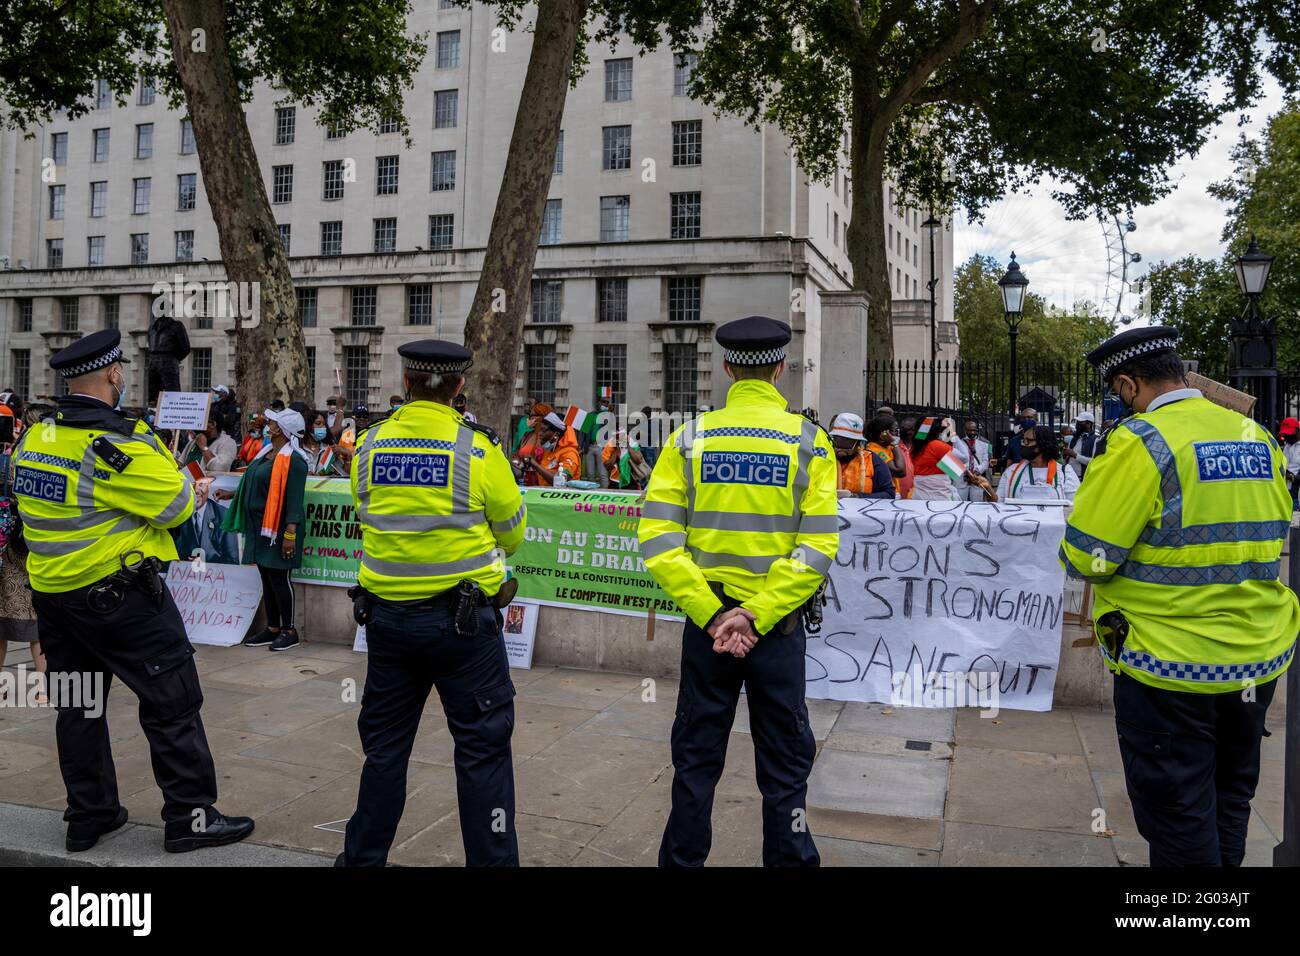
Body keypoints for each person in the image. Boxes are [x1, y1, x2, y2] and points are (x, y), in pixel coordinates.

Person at [1060, 326, 1298, 867]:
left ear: (1127, 385)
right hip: (1256, 659)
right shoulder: (1253, 435)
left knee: (1177, 815)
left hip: (1171, 666)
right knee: (1228, 802)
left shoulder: (1140, 441)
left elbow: (1088, 557)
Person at [9, 329, 253, 853]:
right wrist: (147, 446)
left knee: (79, 706)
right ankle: (191, 818)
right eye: (122, 373)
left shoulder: (35, 438)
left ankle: (88, 816)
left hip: (55, 598)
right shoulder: (117, 444)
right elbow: (178, 508)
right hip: (121, 599)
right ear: (115, 374)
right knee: (173, 701)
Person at [638, 315, 837, 867]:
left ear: (727, 368)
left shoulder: (690, 438)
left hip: (709, 632)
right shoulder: (809, 441)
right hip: (775, 630)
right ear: (779, 368)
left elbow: (657, 539)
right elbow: (817, 549)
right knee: (785, 764)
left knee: (697, 757)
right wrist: (757, 616)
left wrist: (713, 615)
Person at [340, 339, 527, 867]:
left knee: (384, 752)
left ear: (406, 382)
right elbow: (512, 535)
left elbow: (366, 510)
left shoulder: (371, 445)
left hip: (388, 623)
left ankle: (361, 860)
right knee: (483, 753)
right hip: (463, 628)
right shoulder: (478, 450)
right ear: (460, 386)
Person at [219, 407, 309, 651]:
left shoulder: (295, 461)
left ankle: (289, 630)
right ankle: (273, 628)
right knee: (266, 578)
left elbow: (294, 501)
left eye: (273, 423)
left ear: (281, 430)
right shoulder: (266, 454)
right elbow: (252, 483)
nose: (268, 425)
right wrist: (231, 494)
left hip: (280, 530)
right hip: (259, 527)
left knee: (280, 578)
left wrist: (290, 535)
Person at [1, 403, 50, 705]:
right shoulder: (39, 460)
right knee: (37, 625)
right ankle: (43, 688)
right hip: (28, 547)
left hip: (6, 549)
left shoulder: (9, 459)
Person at [975, 424, 1079, 502]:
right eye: (1023, 441)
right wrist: (987, 488)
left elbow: (1073, 507)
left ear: (1041, 445)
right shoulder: (1012, 471)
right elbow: (997, 502)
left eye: (1027, 441)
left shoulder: (1065, 472)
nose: (1023, 445)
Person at [173, 478, 240, 565]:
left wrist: (206, 566)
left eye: (201, 484)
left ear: (208, 487)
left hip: (213, 576)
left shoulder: (224, 516)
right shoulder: (175, 514)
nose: (196, 490)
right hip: (181, 574)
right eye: (192, 484)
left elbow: (232, 562)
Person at [827, 412, 893, 499]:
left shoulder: (873, 461)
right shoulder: (823, 458)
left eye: (847, 443)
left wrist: (857, 497)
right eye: (837, 441)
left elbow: (889, 494)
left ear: (858, 443)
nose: (841, 449)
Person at [516, 412, 580, 487]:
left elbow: (561, 481)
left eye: (543, 430)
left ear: (556, 434)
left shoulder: (569, 453)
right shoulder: (549, 452)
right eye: (539, 430)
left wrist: (535, 465)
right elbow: (542, 477)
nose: (539, 434)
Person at [145, 309, 191, 404]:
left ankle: (172, 414)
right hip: (153, 362)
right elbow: (150, 344)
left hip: (168, 361)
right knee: (153, 394)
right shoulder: (152, 327)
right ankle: (153, 412)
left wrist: (173, 359)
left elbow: (185, 348)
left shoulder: (176, 325)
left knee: (173, 394)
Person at [909, 416, 959, 501]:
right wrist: (952, 434)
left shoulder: (914, 448)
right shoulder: (937, 445)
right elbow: (964, 458)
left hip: (918, 496)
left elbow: (954, 470)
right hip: (939, 497)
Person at [955, 419, 993, 501]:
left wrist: (976, 471)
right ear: (965, 430)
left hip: (977, 479)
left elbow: (985, 462)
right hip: (962, 479)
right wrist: (967, 472)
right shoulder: (958, 444)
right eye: (969, 430)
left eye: (974, 430)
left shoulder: (985, 445)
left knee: (976, 505)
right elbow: (956, 461)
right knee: (959, 504)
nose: (972, 432)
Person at [303, 412, 345, 476]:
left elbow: (344, 474)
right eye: (318, 423)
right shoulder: (299, 449)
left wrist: (348, 456)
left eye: (324, 424)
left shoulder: (330, 450)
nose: (322, 427)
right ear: (308, 426)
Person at [1066, 411, 1098, 479]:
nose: (1077, 424)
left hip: (1083, 478)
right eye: (1077, 422)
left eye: (1080, 422)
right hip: (1069, 476)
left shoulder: (1095, 440)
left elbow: (1094, 462)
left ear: (1089, 424)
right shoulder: (1074, 438)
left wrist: (1075, 455)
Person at [895, 416, 917, 499]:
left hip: (919, 498)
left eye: (911, 429)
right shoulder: (893, 447)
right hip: (898, 497)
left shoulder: (923, 448)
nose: (907, 431)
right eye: (904, 429)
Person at [1279, 416, 1299, 508]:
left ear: (1297, 431)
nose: (1286, 436)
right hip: (1283, 492)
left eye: (1289, 434)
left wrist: (1295, 478)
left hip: (1296, 495)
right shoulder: (1285, 446)